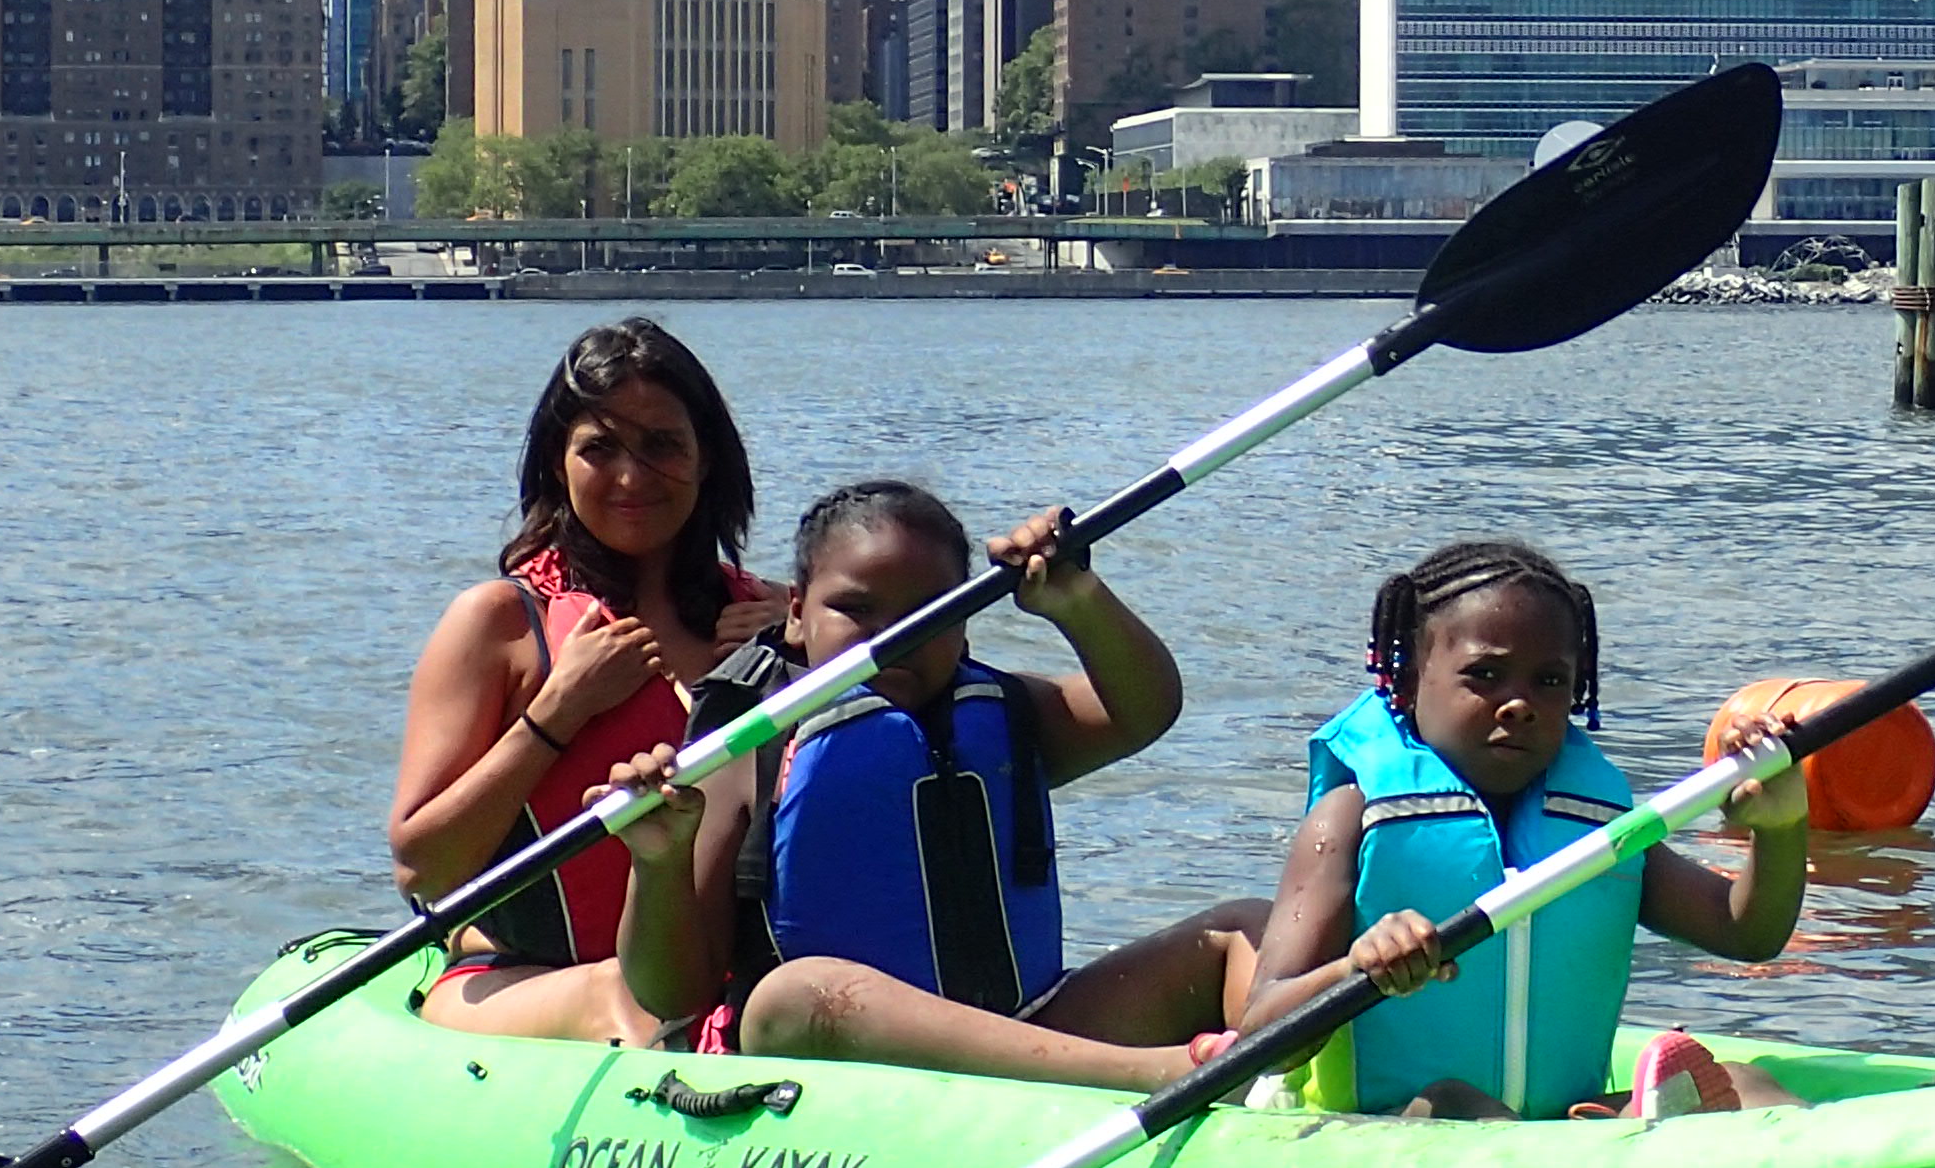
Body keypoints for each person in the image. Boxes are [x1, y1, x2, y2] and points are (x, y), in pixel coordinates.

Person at [601, 477, 1294, 1088]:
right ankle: (1165, 1076)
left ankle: (1291, 1065)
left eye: (925, 613)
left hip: (1027, 1028)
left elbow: (1144, 709)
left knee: (1241, 926)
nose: (892, 637)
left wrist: (1077, 601)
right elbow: (672, 992)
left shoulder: (1007, 711)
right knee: (794, 995)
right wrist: (658, 863)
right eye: (857, 609)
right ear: (797, 613)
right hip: (829, 1057)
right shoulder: (744, 748)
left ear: (963, 622)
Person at [1247, 538, 1810, 1120]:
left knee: (1745, 1083)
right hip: (1394, 1126)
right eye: (1485, 674)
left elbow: (1747, 933)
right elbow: (1261, 1030)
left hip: (1557, 1125)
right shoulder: (1350, 817)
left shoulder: (1597, 826)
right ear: (1409, 680)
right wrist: (1357, 968)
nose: (1518, 704)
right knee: (1454, 1101)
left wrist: (1781, 827)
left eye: (1549, 681)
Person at [390, 321, 780, 1045]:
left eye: (662, 445)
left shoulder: (774, 621)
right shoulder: (500, 625)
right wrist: (557, 713)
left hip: (721, 989)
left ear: (706, 460)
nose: (631, 477)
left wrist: (805, 650)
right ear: (556, 464)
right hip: (523, 979)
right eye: (599, 449)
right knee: (625, 995)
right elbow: (422, 869)